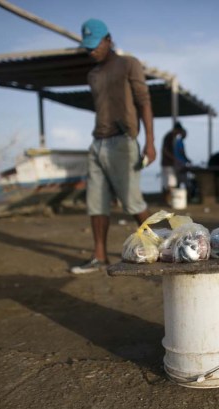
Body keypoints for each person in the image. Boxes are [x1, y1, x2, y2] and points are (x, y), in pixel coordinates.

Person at [71, 18, 156, 274]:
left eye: (95, 45)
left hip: (122, 142)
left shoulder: (129, 64)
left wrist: (149, 143)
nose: (91, 51)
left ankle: (159, 247)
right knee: (96, 203)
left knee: (132, 202)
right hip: (97, 142)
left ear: (108, 40)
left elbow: (144, 102)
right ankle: (99, 257)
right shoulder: (92, 74)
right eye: (87, 47)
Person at [160, 122, 187, 204]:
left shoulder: (171, 137)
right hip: (168, 163)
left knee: (168, 184)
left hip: (167, 163)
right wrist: (174, 159)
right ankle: (169, 201)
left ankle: (167, 201)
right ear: (177, 130)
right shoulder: (170, 137)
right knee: (171, 184)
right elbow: (165, 151)